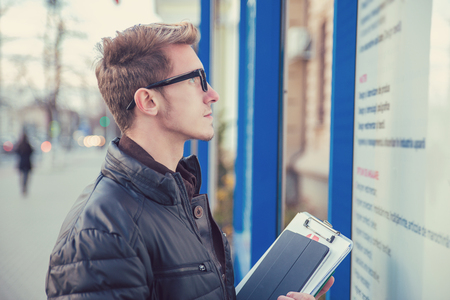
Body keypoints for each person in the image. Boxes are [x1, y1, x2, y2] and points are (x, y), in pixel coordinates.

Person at [45, 22, 333, 300]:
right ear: (148, 101)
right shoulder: (101, 233)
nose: (213, 94)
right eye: (197, 81)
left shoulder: (175, 195)